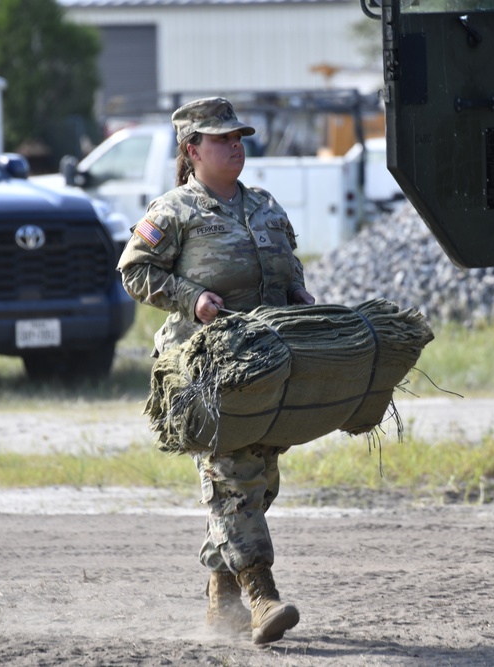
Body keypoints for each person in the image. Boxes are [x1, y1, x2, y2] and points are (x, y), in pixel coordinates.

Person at [116, 97, 315, 645]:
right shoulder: (174, 210)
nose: (234, 145)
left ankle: (221, 598)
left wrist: (300, 295)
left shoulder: (267, 206)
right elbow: (133, 270)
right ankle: (260, 596)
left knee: (259, 479)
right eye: (221, 138)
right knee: (235, 478)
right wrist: (190, 296)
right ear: (191, 149)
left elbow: (287, 268)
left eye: (238, 137)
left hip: (267, 364)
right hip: (202, 368)